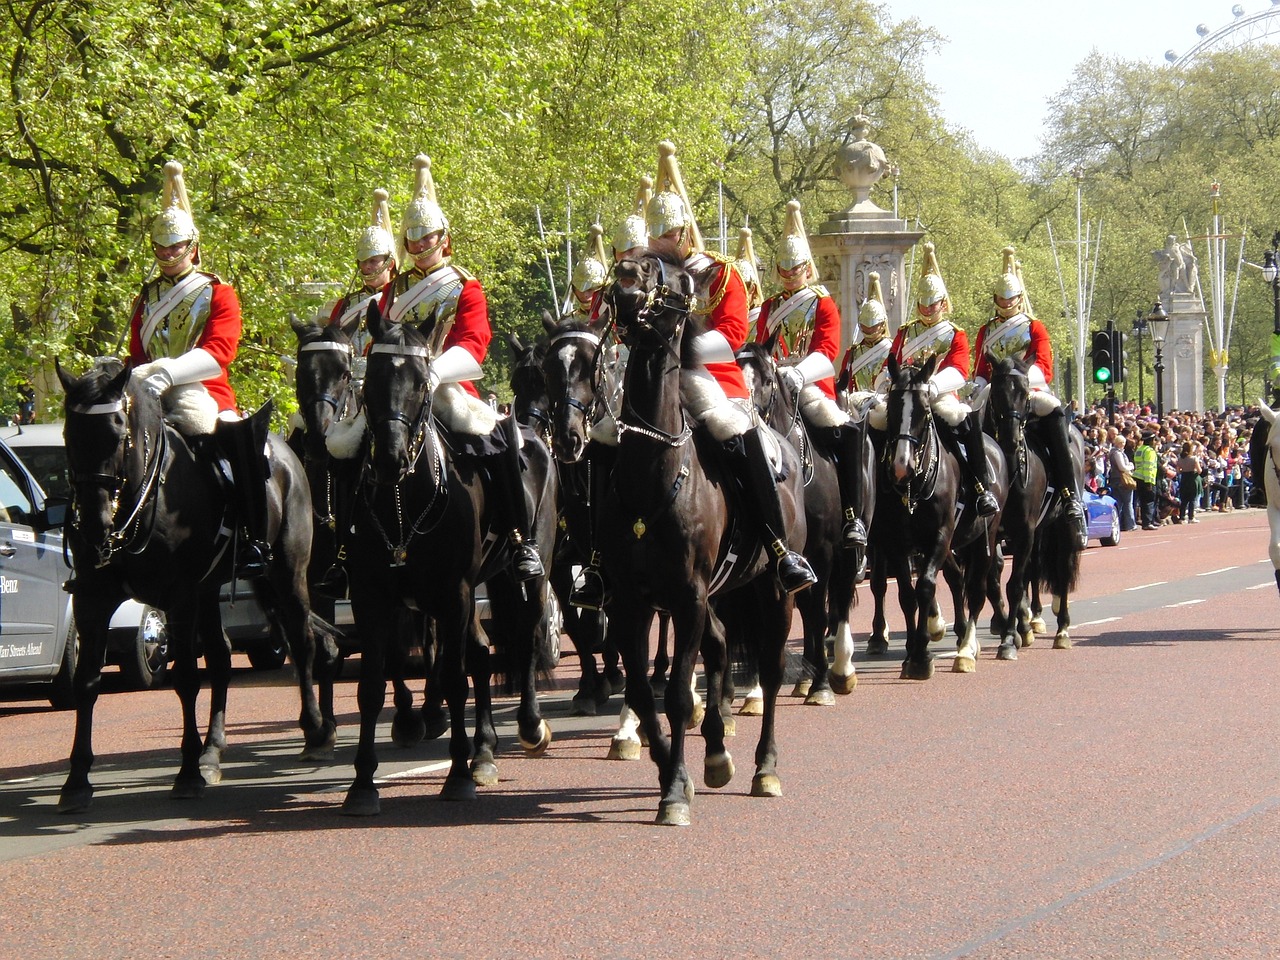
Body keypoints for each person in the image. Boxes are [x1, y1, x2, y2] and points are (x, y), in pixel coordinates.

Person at [647, 141, 815, 594]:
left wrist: (684, 351)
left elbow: (734, 334)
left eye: (666, 236)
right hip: (651, 378)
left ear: (683, 234)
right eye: (653, 237)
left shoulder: (720, 273)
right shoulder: (644, 276)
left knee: (744, 436)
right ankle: (599, 558)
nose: (659, 245)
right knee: (606, 434)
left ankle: (781, 549)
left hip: (710, 380)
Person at [377, 154, 543, 582]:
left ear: (443, 238)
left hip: (447, 386)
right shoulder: (393, 289)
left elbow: (474, 344)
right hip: (396, 391)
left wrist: (433, 372)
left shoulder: (464, 285)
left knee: (500, 438)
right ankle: (340, 545)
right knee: (343, 442)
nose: (418, 244)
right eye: (412, 237)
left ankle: (519, 538)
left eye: (426, 236)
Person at [127, 160, 270, 580]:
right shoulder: (146, 296)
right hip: (147, 389)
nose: (168, 255)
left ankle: (251, 539)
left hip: (206, 393)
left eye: (176, 247)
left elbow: (220, 351)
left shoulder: (217, 292)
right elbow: (137, 353)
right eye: (161, 247)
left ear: (192, 245)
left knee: (240, 445)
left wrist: (169, 372)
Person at [755, 199, 867, 549]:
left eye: (796, 267)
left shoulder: (822, 303)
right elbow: (760, 347)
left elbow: (828, 351)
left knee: (847, 434)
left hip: (810, 386)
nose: (790, 274)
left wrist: (799, 375)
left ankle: (852, 517)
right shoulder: (770, 307)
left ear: (807, 267)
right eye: (784, 268)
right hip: (772, 385)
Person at [570, 178, 652, 611]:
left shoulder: (671, 283)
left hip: (665, 389)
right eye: (623, 255)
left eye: (635, 253)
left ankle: (775, 542)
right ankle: (598, 559)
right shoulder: (605, 299)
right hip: (614, 398)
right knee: (595, 451)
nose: (628, 262)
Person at [313, 187, 399, 598]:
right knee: (310, 444)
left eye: (375, 260)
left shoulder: (400, 299)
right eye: (363, 260)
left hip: (394, 391)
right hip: (348, 394)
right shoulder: (343, 305)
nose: (368, 266)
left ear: (389, 261)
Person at [973, 246, 1086, 544]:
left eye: (1010, 298)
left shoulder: (1034, 327)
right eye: (1001, 298)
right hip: (997, 391)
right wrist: (980, 384)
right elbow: (981, 368)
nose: (1006, 302)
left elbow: (1045, 367)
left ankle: (1069, 493)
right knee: (971, 419)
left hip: (1030, 389)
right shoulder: (986, 331)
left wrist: (1018, 382)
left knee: (1055, 413)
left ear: (1019, 298)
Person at [890, 242, 998, 518]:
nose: (927, 309)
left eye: (933, 304)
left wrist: (934, 386)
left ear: (943, 303)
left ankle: (981, 486)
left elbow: (961, 369)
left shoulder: (954, 334)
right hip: (907, 395)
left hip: (940, 396)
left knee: (966, 423)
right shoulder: (905, 333)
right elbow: (890, 363)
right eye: (923, 304)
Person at [562, 223, 609, 322]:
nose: (584, 295)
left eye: (590, 289)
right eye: (579, 289)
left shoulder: (616, 322)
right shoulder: (567, 322)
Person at [1133, 430, 1159, 530]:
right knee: (1149, 501)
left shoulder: (1139, 449)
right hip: (1147, 479)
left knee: (1143, 501)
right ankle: (1147, 522)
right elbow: (1148, 467)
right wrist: (1149, 482)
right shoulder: (1149, 451)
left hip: (1138, 477)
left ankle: (1146, 521)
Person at [1175, 441, 1202, 523]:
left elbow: (1178, 471)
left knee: (1184, 500)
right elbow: (1199, 470)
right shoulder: (1194, 458)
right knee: (1192, 499)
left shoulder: (1180, 459)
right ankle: (1191, 517)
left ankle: (1182, 517)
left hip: (1184, 478)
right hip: (1193, 478)